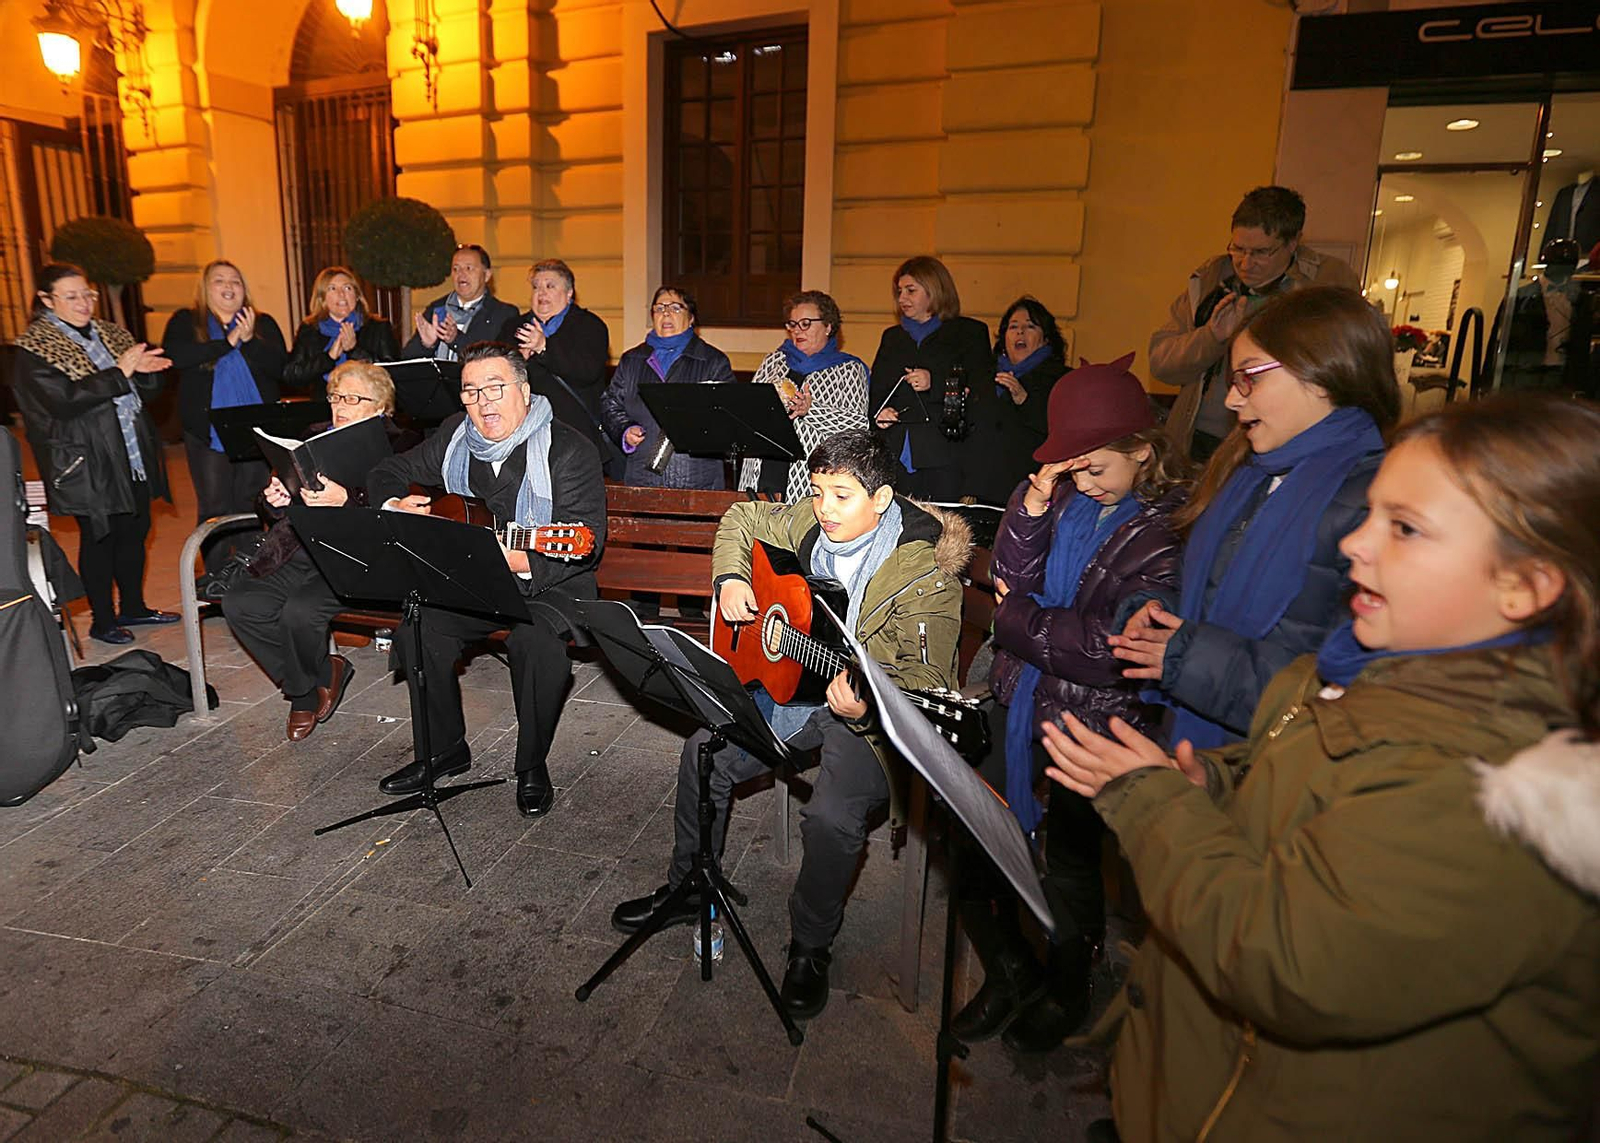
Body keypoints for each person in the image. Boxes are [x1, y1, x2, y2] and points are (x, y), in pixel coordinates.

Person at [1042, 393, 1600, 1141]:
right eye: (1371, 513)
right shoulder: (1375, 670)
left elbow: (1284, 958)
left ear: (1527, 585)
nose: (1354, 545)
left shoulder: (1500, 791)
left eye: (1405, 528)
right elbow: (1316, 788)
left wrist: (1153, 805)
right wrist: (1223, 783)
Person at [610, 429, 971, 1020]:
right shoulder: (810, 517)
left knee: (830, 817)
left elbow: (926, 681)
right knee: (704, 750)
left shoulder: (924, 573)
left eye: (841, 496)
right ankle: (689, 888)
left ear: (880, 501)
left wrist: (870, 703)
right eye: (819, 491)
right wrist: (730, 578)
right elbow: (741, 519)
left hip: (867, 721)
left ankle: (810, 945)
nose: (823, 509)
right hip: (794, 691)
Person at [955, 354, 1187, 1055]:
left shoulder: (1165, 530)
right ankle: (1008, 967)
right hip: (1022, 695)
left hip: (1095, 726)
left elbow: (1108, 645)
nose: (1081, 483)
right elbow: (1009, 574)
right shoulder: (1060, 497)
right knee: (976, 836)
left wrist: (1014, 622)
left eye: (1095, 469)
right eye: (1072, 470)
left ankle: (1066, 982)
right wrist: (1028, 508)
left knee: (1071, 867)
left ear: (1141, 452)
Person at [1114, 286, 1398, 749]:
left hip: (1273, 765)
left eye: (1250, 377)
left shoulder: (1376, 502)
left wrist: (1185, 655)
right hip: (1208, 749)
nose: (1231, 399)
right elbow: (1209, 594)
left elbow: (1344, 690)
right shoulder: (1245, 473)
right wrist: (1155, 614)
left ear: (1322, 374)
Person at [366, 341, 606, 818]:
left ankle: (531, 763)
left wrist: (517, 560)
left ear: (524, 388)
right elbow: (389, 469)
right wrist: (393, 504)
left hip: (549, 581)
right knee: (420, 627)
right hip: (472, 581)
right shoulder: (456, 435)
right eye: (471, 391)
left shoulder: (570, 450)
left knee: (534, 644)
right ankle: (444, 749)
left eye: (495, 388)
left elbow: (585, 543)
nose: (483, 402)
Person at [222, 361, 418, 742]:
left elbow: (402, 517)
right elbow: (284, 502)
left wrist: (347, 500)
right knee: (242, 603)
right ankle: (314, 679)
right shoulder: (312, 437)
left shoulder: (404, 444)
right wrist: (275, 498)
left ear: (381, 407)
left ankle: (300, 696)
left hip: (360, 558)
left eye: (352, 398)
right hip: (300, 549)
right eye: (335, 396)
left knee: (301, 612)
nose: (339, 405)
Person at [14, 264, 174, 644]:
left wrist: (148, 372)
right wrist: (121, 371)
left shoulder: (109, 333)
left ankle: (133, 606)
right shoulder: (34, 349)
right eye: (71, 297)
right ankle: (103, 620)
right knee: (100, 537)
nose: (84, 303)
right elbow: (65, 401)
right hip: (85, 462)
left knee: (136, 533)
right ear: (46, 300)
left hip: (130, 454)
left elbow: (142, 387)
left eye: (87, 294)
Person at [1151, 185, 1359, 462]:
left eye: (1261, 252)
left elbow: (1349, 370)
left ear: (1293, 243)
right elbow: (1162, 365)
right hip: (1199, 442)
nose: (1245, 263)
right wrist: (1212, 337)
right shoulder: (1209, 280)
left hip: (1285, 445)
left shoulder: (1329, 281)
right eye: (1238, 248)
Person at [161, 260, 288, 541]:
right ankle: (213, 579)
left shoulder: (262, 323)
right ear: (206, 288)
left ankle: (246, 574)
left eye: (236, 281)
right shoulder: (187, 321)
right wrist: (227, 343)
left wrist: (250, 340)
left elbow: (279, 368)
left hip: (255, 429)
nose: (229, 286)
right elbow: (177, 357)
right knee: (214, 508)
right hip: (207, 431)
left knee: (252, 504)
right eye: (219, 280)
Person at [869, 256, 994, 501]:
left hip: (946, 453)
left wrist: (936, 383)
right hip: (896, 452)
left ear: (934, 290)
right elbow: (877, 391)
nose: (902, 298)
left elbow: (982, 392)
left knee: (942, 531)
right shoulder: (892, 337)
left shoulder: (968, 333)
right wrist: (881, 413)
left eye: (911, 290)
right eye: (899, 291)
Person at [738, 289, 869, 501]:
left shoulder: (849, 369)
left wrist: (811, 410)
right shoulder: (774, 361)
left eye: (806, 323)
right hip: (761, 469)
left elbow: (858, 427)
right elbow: (749, 408)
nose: (797, 330)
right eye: (792, 324)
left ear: (828, 326)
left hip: (807, 479)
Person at [600, 284, 734, 488]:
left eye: (675, 308)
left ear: (691, 319)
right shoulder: (632, 360)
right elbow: (610, 404)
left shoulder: (713, 361)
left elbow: (727, 415)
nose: (666, 313)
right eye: (660, 308)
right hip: (642, 477)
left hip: (697, 479)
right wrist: (625, 430)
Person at [966, 296, 1069, 504]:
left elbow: (1060, 434)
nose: (1020, 332)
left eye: (1030, 326)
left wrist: (1024, 400)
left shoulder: (1061, 379)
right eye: (1013, 327)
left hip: (1028, 491)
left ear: (1046, 338)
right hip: (980, 493)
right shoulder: (983, 376)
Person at [499, 259, 611, 446]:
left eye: (550, 286)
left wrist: (544, 348)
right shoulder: (514, 327)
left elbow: (587, 373)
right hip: (523, 434)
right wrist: (520, 361)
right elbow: (497, 377)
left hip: (574, 435)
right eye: (536, 287)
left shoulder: (590, 326)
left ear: (569, 294)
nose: (541, 293)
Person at [1488, 237, 1596, 397]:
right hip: (1526, 372)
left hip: (1564, 374)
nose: (1565, 270)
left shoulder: (1582, 299)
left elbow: (1582, 340)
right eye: (1560, 264)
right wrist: (1490, 380)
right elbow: (1499, 341)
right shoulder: (1520, 297)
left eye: (1569, 265)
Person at [283, 266, 400, 399]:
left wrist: (354, 351)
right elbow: (292, 376)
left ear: (357, 296)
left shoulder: (378, 327)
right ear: (322, 298)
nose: (341, 294)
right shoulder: (310, 330)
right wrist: (329, 358)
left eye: (347, 288)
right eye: (332, 288)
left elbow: (391, 374)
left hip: (367, 405)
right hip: (324, 408)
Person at [402, 243, 519, 364]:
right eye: (455, 269)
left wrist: (456, 339)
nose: (461, 274)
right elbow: (406, 359)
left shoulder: (503, 314)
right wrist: (426, 345)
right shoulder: (437, 309)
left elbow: (499, 362)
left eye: (469, 268)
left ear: (487, 275)